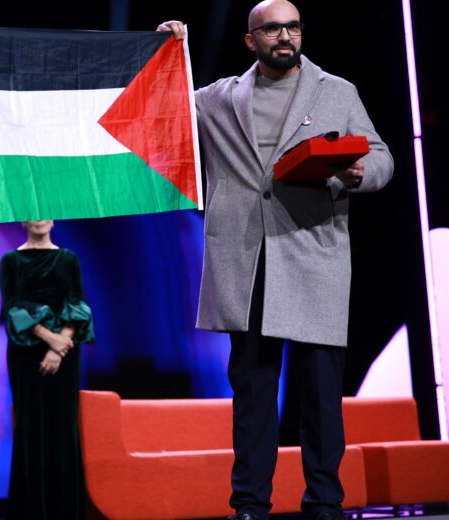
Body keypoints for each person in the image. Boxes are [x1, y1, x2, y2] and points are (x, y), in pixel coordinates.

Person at [159, 2, 394, 519]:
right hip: (247, 261)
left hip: (313, 254)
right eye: (272, 29)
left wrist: (357, 173)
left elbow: (381, 156)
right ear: (251, 40)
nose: (284, 36)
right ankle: (248, 505)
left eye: (292, 27)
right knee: (253, 393)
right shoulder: (219, 98)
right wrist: (169, 47)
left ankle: (325, 503)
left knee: (320, 393)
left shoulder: (336, 91)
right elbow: (162, 103)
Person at [0, 220, 95, 520]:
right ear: (23, 219)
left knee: (64, 430)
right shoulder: (11, 261)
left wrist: (59, 346)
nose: (39, 217)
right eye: (32, 211)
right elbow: (12, 306)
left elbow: (78, 303)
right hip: (26, 356)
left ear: (53, 218)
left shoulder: (68, 259)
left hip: (64, 357)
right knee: (31, 430)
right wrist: (50, 338)